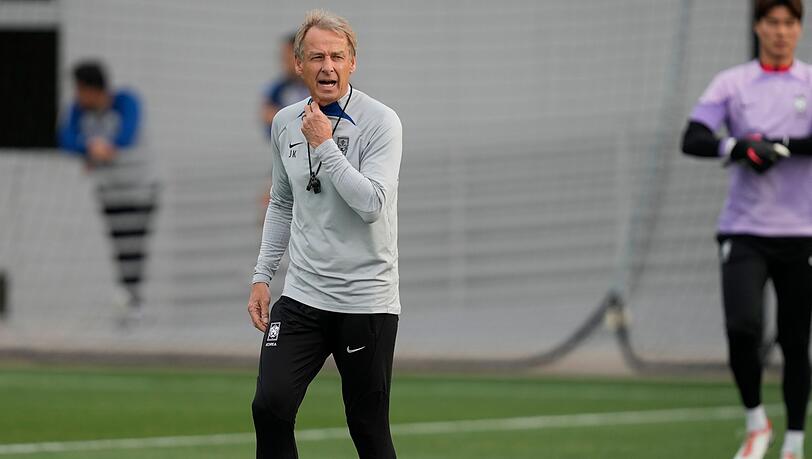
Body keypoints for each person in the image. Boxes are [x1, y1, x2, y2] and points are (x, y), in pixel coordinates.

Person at [247, 9, 403, 459]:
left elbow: (371, 204)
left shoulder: (382, 122)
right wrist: (262, 276)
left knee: (368, 429)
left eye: (337, 56)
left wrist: (325, 144)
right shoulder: (284, 122)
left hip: (365, 301)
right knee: (270, 406)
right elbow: (282, 202)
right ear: (298, 64)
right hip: (303, 296)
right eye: (316, 57)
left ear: (353, 62)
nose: (327, 66)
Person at [681, 1, 812, 458]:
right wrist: (738, 146)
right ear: (758, 27)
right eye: (772, 22)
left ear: (799, 30)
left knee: (795, 340)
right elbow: (693, 137)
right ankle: (757, 422)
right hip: (744, 230)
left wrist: (777, 146)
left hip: (801, 233)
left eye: (789, 23)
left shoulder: (809, 82)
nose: (781, 32)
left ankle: (794, 441)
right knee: (742, 327)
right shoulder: (732, 83)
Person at [58, 60, 158, 317]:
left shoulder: (125, 101)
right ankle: (129, 301)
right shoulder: (79, 111)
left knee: (135, 247)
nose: (77, 96)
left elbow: (127, 134)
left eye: (80, 90)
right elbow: (65, 138)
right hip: (110, 192)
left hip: (140, 190)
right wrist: (89, 147)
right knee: (120, 247)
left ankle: (134, 301)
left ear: (92, 89)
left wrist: (106, 148)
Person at [262, 33, 310, 135]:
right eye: (283, 58)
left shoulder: (324, 86)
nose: (284, 63)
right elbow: (269, 123)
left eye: (288, 58)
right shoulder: (277, 89)